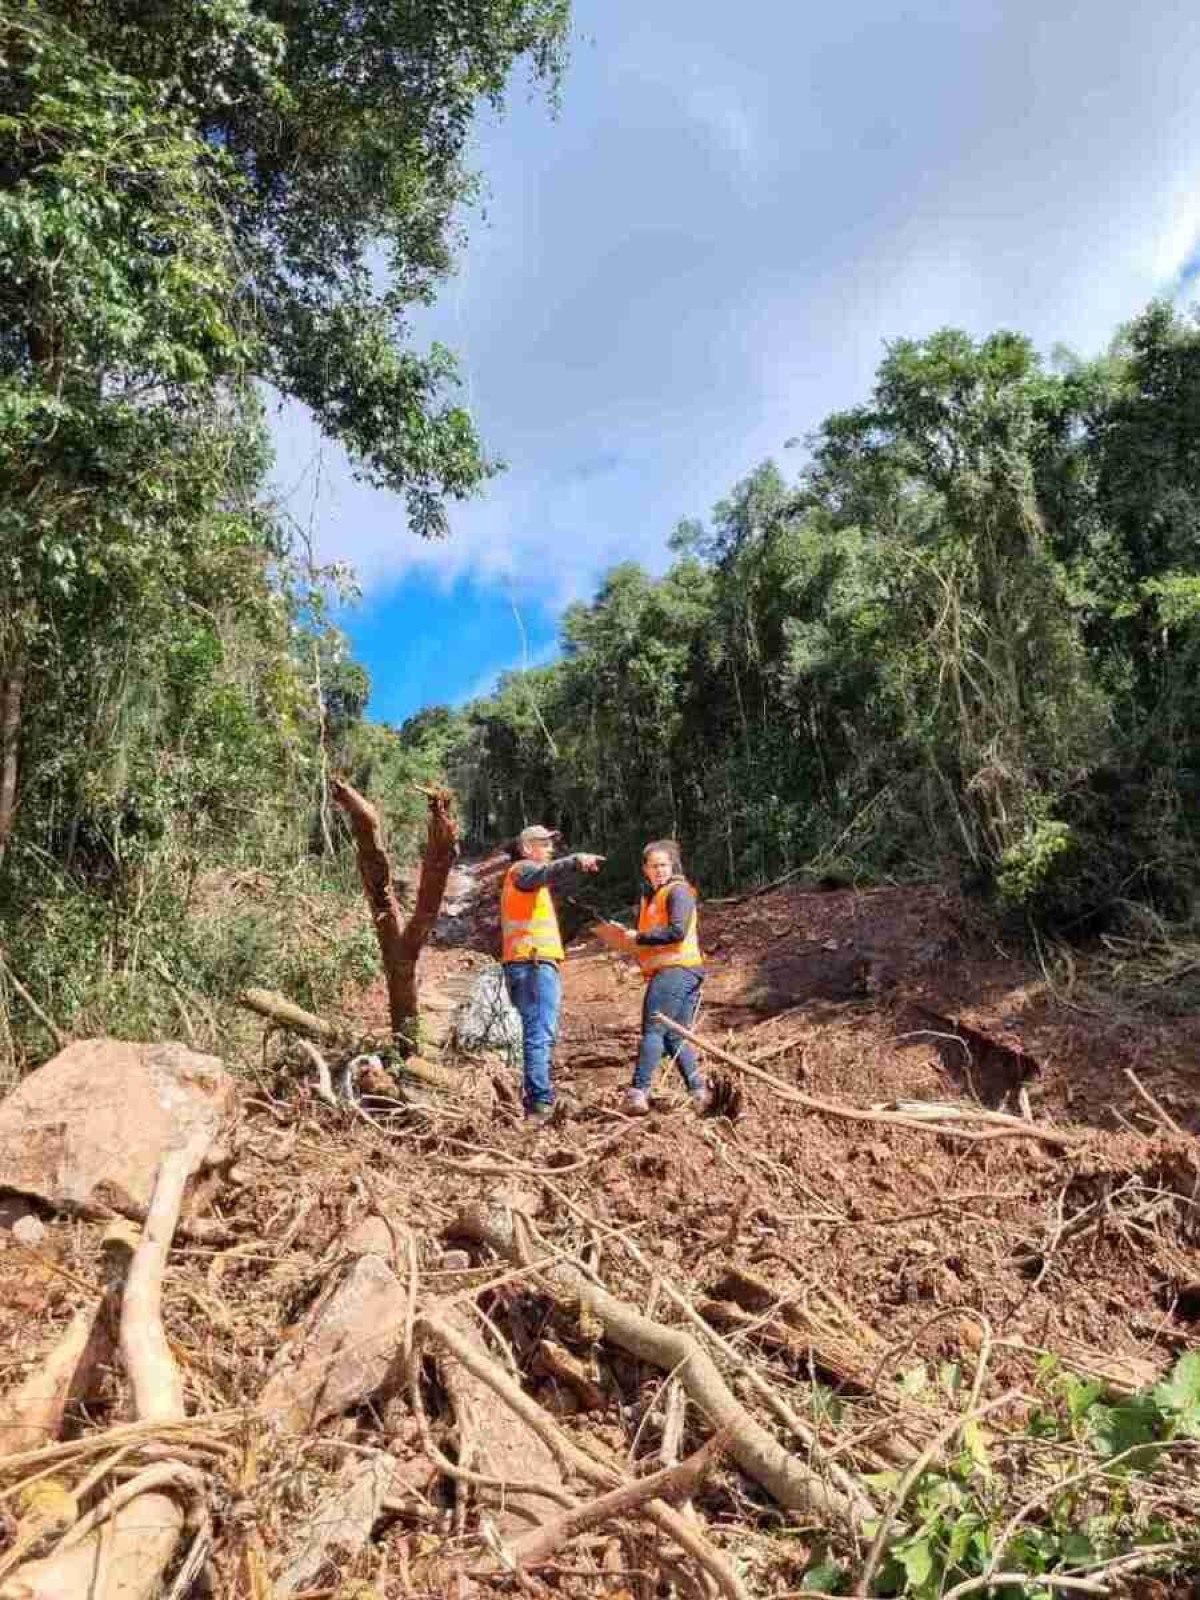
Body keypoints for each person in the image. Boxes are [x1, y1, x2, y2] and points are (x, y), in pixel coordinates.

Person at [500, 824, 604, 1125]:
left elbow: (550, 876)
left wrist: (574, 868)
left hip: (529, 964)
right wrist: (575, 860)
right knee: (538, 1033)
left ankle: (538, 1096)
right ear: (526, 848)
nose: (550, 849)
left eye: (550, 844)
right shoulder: (521, 871)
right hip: (532, 965)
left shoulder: (530, 879)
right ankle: (539, 1104)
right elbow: (543, 873)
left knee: (538, 1032)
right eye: (543, 844)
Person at [599, 840, 711, 1116]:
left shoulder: (678, 891)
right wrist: (631, 942)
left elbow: (676, 932)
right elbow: (657, 938)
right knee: (674, 1035)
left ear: (672, 866)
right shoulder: (655, 897)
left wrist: (639, 937)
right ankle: (700, 1092)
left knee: (653, 1029)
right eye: (654, 866)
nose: (659, 870)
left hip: (677, 969)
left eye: (663, 864)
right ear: (645, 870)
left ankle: (638, 1092)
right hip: (678, 970)